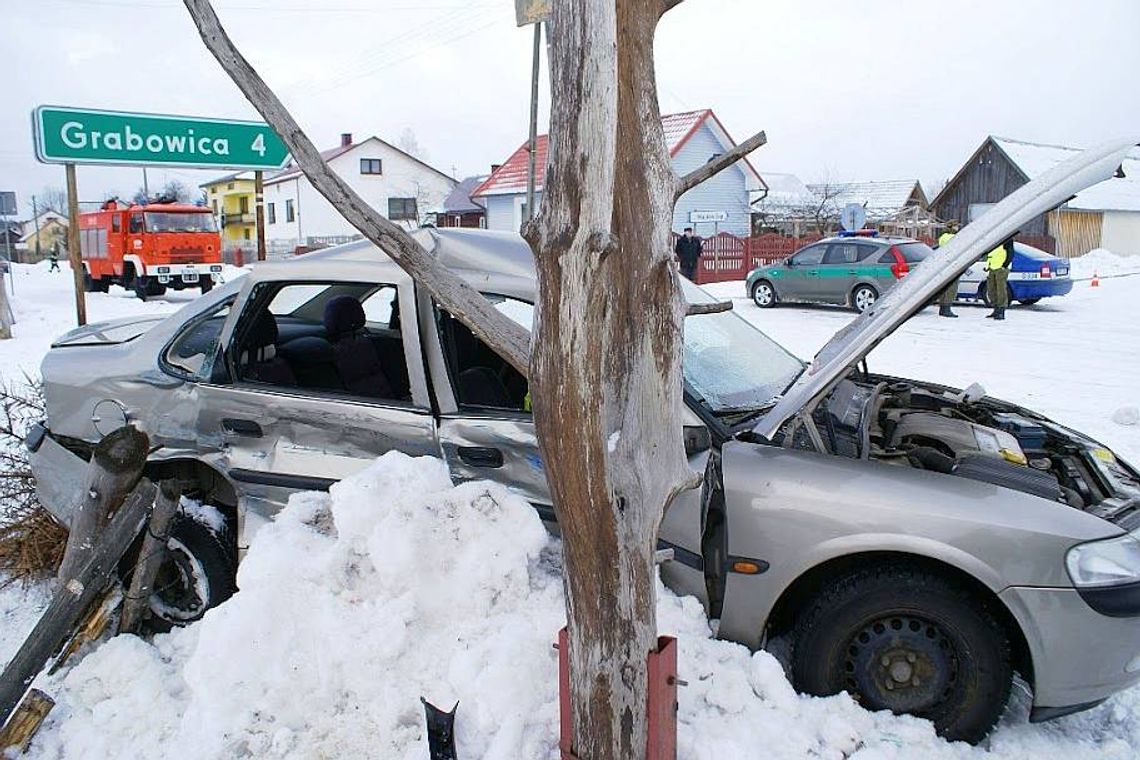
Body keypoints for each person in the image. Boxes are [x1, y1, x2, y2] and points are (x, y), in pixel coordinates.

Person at [984, 234, 1015, 321]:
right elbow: (990, 255)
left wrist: (1005, 265)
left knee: (1001, 290)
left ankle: (1001, 311)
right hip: (992, 267)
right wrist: (988, 266)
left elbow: (1010, 253)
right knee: (991, 289)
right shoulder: (993, 240)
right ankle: (996, 309)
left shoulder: (1006, 239)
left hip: (1001, 268)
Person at [935, 221, 961, 318]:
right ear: (951, 227)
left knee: (944, 287)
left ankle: (943, 308)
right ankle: (947, 308)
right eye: (956, 226)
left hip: (944, 264)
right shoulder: (952, 237)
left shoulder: (943, 236)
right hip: (952, 264)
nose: (957, 228)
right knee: (952, 287)